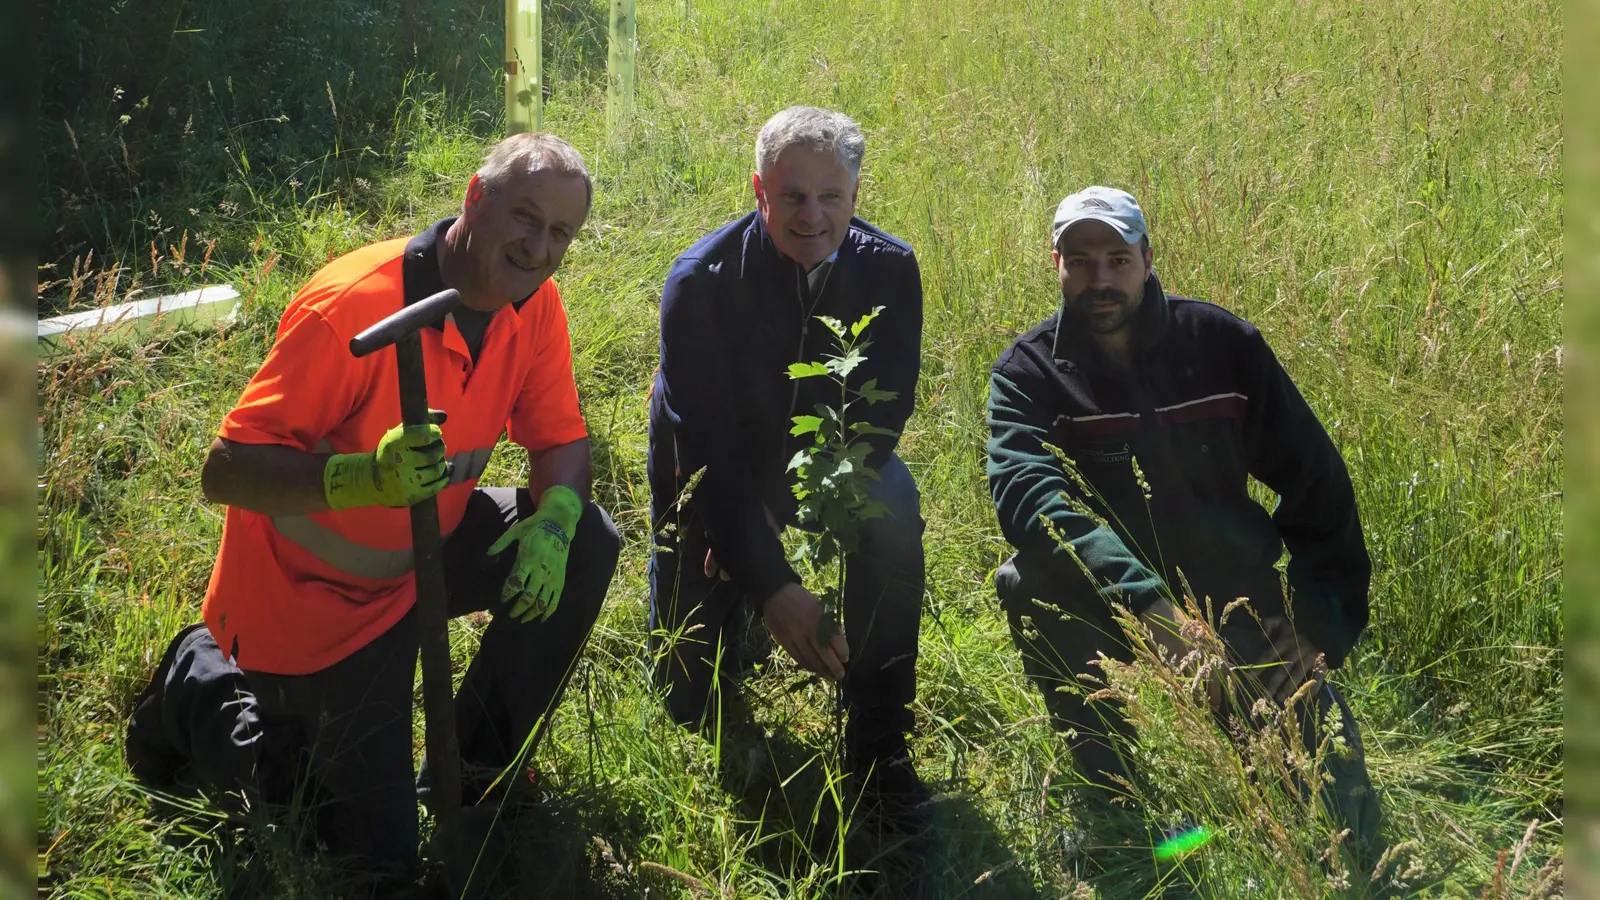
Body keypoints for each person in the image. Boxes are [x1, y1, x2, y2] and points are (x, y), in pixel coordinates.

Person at [124, 132, 621, 881]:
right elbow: (223, 471)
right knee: (360, 853)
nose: (539, 247)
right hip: (312, 610)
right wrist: (357, 480)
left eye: (560, 233)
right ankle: (199, 684)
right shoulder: (351, 306)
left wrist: (553, 523)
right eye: (525, 216)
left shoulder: (532, 305)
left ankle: (477, 769)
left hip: (424, 555)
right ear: (475, 201)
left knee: (588, 539)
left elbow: (561, 441)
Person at [985, 186, 1382, 869]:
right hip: (1110, 606)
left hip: (1236, 597)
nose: (1100, 280)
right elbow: (1028, 493)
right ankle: (1111, 787)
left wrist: (1317, 626)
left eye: (1116, 258)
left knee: (1349, 826)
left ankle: (1258, 743)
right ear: (1055, 264)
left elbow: (1317, 481)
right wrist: (1151, 608)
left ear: (1146, 257)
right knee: (1027, 582)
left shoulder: (1223, 345)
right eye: (1079, 261)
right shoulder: (1029, 373)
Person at [645, 107, 929, 825]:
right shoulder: (701, 282)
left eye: (830, 196)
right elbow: (702, 443)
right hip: (706, 464)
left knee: (892, 501)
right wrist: (771, 582)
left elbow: (880, 418)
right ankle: (725, 617)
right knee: (688, 689)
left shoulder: (891, 270)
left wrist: (777, 506)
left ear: (856, 198)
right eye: (791, 196)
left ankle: (880, 735)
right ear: (758, 191)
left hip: (822, 462)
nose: (812, 216)